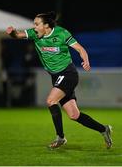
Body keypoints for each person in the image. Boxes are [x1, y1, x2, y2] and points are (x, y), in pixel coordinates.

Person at [6, 11, 112, 149]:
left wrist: (85, 61)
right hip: (56, 77)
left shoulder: (62, 33)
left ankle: (60, 137)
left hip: (68, 74)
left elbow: (80, 49)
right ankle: (104, 129)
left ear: (46, 25)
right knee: (74, 115)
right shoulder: (35, 34)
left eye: (37, 24)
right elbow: (17, 35)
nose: (34, 27)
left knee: (51, 101)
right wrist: (12, 32)